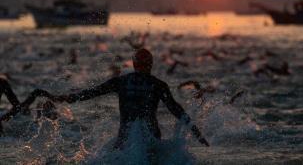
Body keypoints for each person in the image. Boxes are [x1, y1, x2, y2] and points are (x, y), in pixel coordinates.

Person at [55, 48, 210, 149]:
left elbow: (91, 93)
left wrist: (67, 98)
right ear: (151, 64)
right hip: (152, 139)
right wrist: (198, 135)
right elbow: (177, 110)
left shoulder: (121, 82)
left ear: (134, 64)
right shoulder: (158, 84)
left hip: (125, 139)